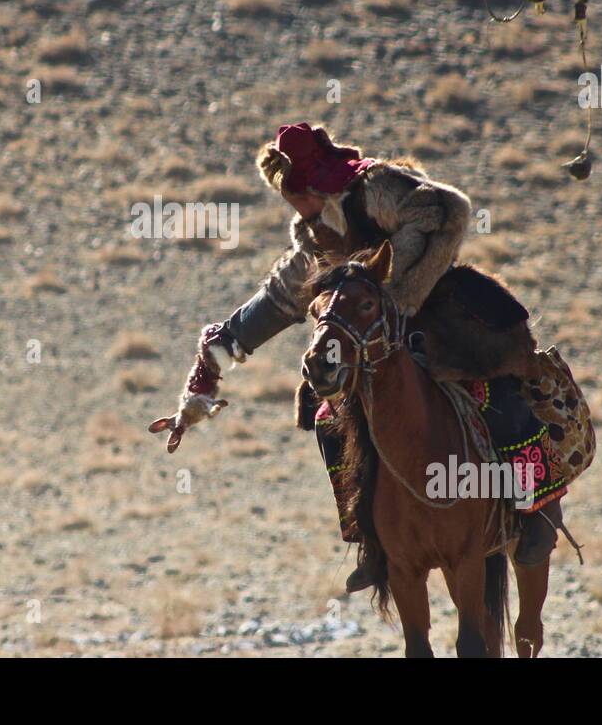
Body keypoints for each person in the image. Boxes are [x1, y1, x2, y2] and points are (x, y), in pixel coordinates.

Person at [148, 122, 566, 593]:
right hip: (371, 342)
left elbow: (451, 209)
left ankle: (537, 508)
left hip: (442, 312)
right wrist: (200, 388)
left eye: (294, 195)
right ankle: (371, 540)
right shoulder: (313, 242)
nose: (293, 206)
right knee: (331, 420)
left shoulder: (376, 186)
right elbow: (271, 307)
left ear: (313, 186)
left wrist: (399, 291)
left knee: (496, 393)